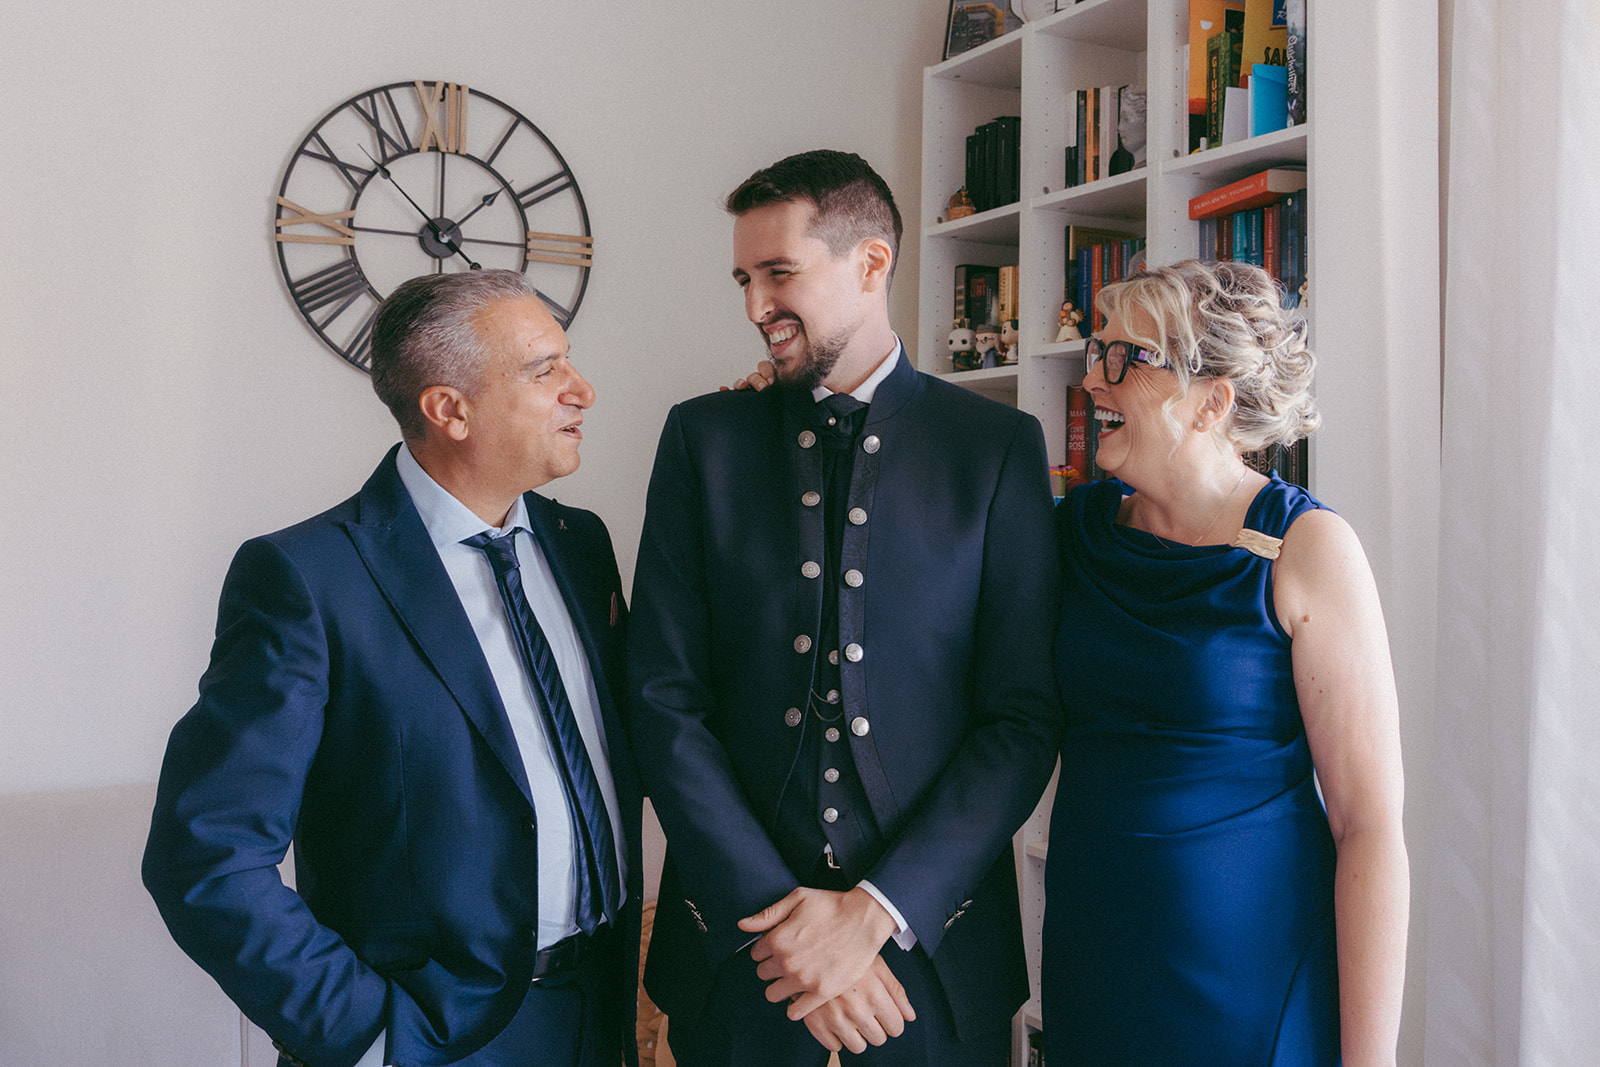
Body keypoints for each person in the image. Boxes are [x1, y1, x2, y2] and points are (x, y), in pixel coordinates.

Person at [627, 149, 1063, 1066]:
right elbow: (663, 698)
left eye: (779, 272)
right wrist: (783, 930)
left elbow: (1021, 719)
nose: (756, 305)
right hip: (737, 955)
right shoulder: (703, 439)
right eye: (744, 280)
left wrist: (876, 912)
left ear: (871, 263)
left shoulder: (995, 449)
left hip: (935, 961)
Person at [142, 269, 641, 1067]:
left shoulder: (582, 546)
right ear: (450, 409)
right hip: (424, 1037)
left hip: (599, 1016)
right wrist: (367, 1035)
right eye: (545, 369)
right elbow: (205, 852)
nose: (581, 390)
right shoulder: (307, 579)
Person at [1044, 260, 1409, 1065]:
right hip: (1093, 960)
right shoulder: (1071, 535)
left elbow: (1369, 826)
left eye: (1126, 358)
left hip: (1252, 980)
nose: (1093, 380)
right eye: (1097, 350)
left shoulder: (1306, 548)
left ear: (1212, 401)